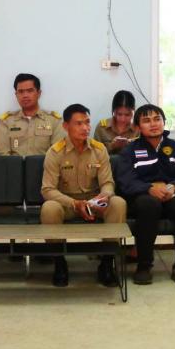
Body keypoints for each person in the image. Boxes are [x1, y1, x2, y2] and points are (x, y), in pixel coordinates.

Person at [40, 103, 127, 287]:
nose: (85, 128)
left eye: (87, 122)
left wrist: (104, 196)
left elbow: (108, 183)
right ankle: (59, 263)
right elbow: (48, 190)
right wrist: (74, 203)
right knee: (49, 208)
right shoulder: (55, 152)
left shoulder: (99, 149)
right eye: (78, 123)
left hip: (94, 203)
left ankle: (107, 263)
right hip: (67, 204)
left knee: (118, 203)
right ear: (66, 126)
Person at [117, 104, 175, 286]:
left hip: (171, 196)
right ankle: (144, 266)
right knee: (148, 205)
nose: (153, 124)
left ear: (164, 122)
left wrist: (173, 187)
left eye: (157, 119)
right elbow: (126, 181)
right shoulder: (129, 151)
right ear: (137, 127)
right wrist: (149, 188)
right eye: (146, 121)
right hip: (142, 196)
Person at [0, 73, 64, 156]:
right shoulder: (6, 122)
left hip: (45, 164)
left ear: (39, 93)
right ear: (16, 95)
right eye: (21, 92)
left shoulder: (54, 121)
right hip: (14, 164)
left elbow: (57, 153)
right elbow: (3, 153)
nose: (25, 95)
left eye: (30, 91)